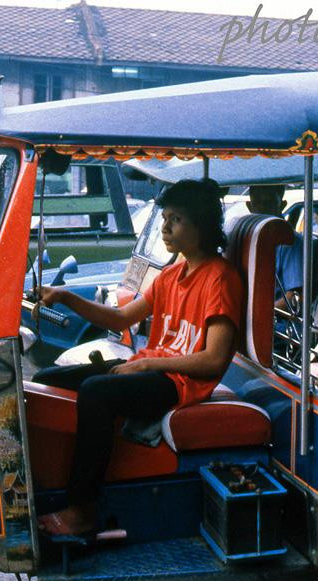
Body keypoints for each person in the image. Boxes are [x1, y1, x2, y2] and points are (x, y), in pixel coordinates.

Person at [34, 179, 243, 535]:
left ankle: (82, 509)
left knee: (97, 392)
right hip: (152, 369)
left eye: (175, 220)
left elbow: (212, 361)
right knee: (45, 380)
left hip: (180, 383)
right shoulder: (172, 275)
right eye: (164, 218)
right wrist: (65, 296)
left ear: (202, 226)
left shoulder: (220, 279)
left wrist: (146, 363)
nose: (164, 228)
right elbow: (119, 318)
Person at [244, 184, 302, 310]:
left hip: (277, 322)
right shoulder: (247, 237)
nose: (262, 208)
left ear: (282, 205)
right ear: (249, 206)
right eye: (258, 202)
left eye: (269, 202)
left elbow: (295, 296)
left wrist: (260, 314)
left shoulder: (290, 241)